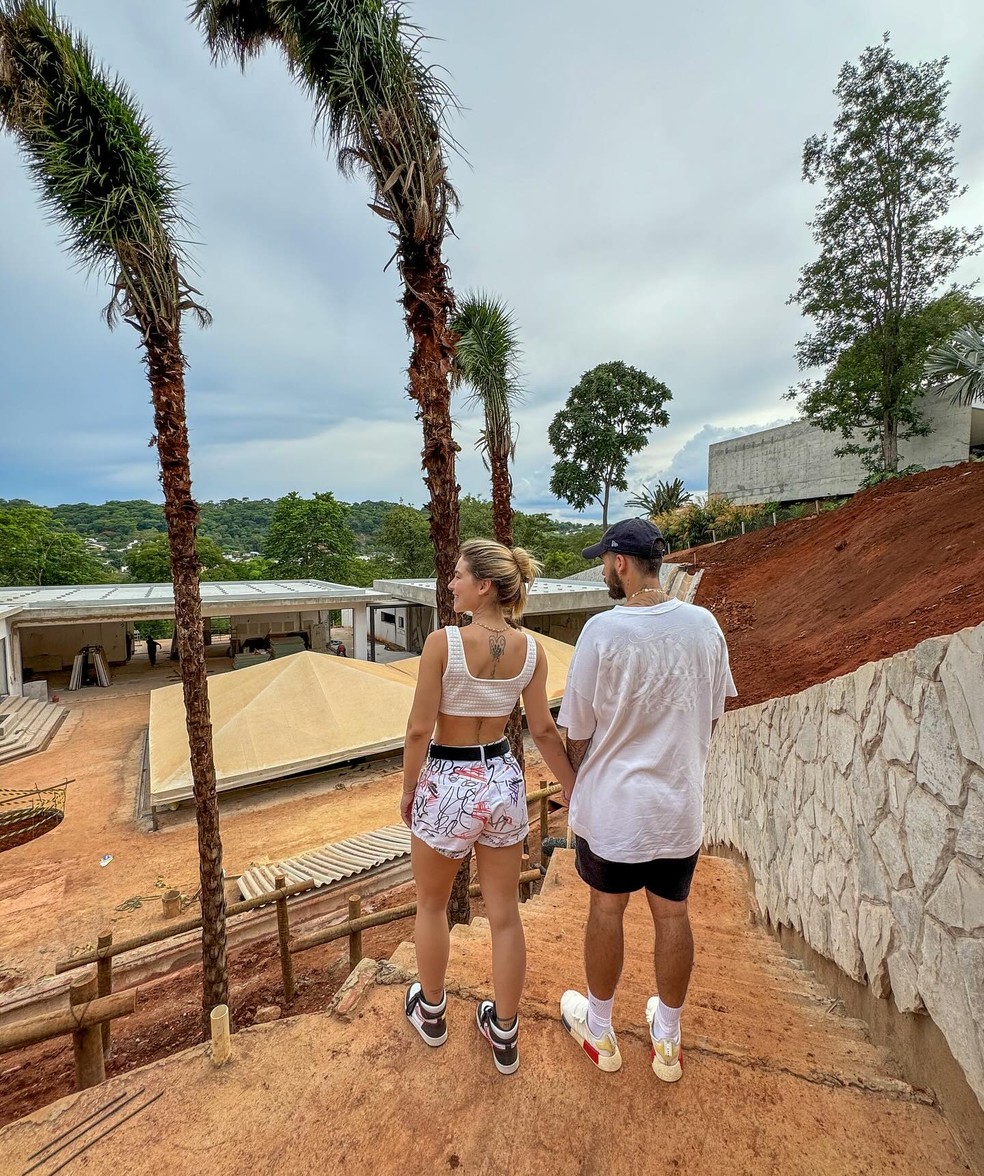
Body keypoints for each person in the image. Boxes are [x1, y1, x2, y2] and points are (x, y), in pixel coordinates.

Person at [556, 518, 736, 1082]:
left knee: (607, 911)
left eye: (604, 562)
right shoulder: (704, 627)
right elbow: (713, 714)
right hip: (678, 808)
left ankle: (602, 1029)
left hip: (613, 810)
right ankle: (667, 1040)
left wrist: (578, 779)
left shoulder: (602, 632)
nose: (605, 570)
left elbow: (576, 728)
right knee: (673, 914)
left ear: (620, 563)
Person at [400, 538, 576, 1075]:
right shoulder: (533, 650)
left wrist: (410, 790)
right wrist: (572, 785)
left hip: (449, 776)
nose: (450, 584)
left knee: (430, 905)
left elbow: (417, 730)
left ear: (484, 586)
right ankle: (504, 1035)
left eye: (457, 576)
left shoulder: (443, 644)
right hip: (502, 776)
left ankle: (431, 1014)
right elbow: (543, 729)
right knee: (504, 914)